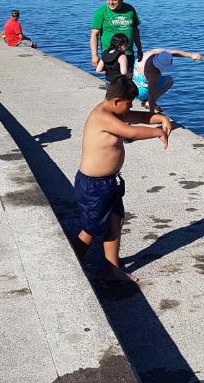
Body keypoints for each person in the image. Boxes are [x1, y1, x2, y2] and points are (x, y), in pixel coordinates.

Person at [73, 77, 171, 283]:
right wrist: (156, 132)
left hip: (110, 182)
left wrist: (160, 118)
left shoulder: (114, 111)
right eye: (128, 103)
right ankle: (72, 265)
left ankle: (112, 267)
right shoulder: (102, 116)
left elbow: (136, 117)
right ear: (117, 101)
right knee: (91, 228)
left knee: (115, 222)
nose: (130, 107)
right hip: (93, 185)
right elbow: (130, 132)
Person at [89, 0, 142, 77]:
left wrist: (139, 49)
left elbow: (135, 30)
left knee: (129, 80)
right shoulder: (101, 12)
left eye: (114, 0)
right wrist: (94, 55)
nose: (111, 3)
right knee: (114, 81)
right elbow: (94, 34)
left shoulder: (130, 10)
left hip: (128, 52)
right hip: (110, 54)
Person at [133, 48, 203, 113]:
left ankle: (147, 100)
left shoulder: (154, 52)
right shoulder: (154, 74)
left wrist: (191, 55)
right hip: (139, 92)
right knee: (169, 81)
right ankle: (147, 101)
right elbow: (151, 94)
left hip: (132, 84)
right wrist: (152, 113)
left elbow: (175, 52)